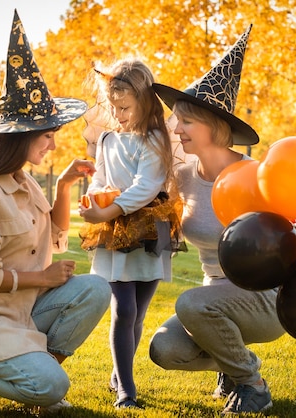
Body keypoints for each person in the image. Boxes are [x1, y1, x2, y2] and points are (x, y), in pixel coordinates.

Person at [0, 9, 111, 414]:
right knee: (51, 385)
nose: (53, 145)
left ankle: (35, 364)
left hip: (21, 312)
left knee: (97, 288)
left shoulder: (24, 181)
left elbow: (56, 235)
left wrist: (63, 186)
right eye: (47, 136)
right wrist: (40, 277)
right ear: (21, 138)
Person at [148, 25, 285, 416]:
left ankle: (252, 384)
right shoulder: (184, 174)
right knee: (164, 348)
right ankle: (232, 365)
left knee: (191, 303)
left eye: (185, 122)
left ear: (213, 126)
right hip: (215, 296)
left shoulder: (257, 176)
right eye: (176, 121)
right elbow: (166, 234)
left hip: (263, 299)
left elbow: (292, 235)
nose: (175, 129)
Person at [78, 58, 184, 409]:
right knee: (123, 309)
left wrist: (107, 209)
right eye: (113, 107)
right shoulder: (108, 138)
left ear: (144, 101)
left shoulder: (153, 138)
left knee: (137, 313)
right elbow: (100, 176)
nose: (118, 114)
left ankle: (118, 374)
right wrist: (94, 197)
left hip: (149, 230)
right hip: (115, 233)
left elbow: (146, 187)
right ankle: (127, 391)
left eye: (124, 107)